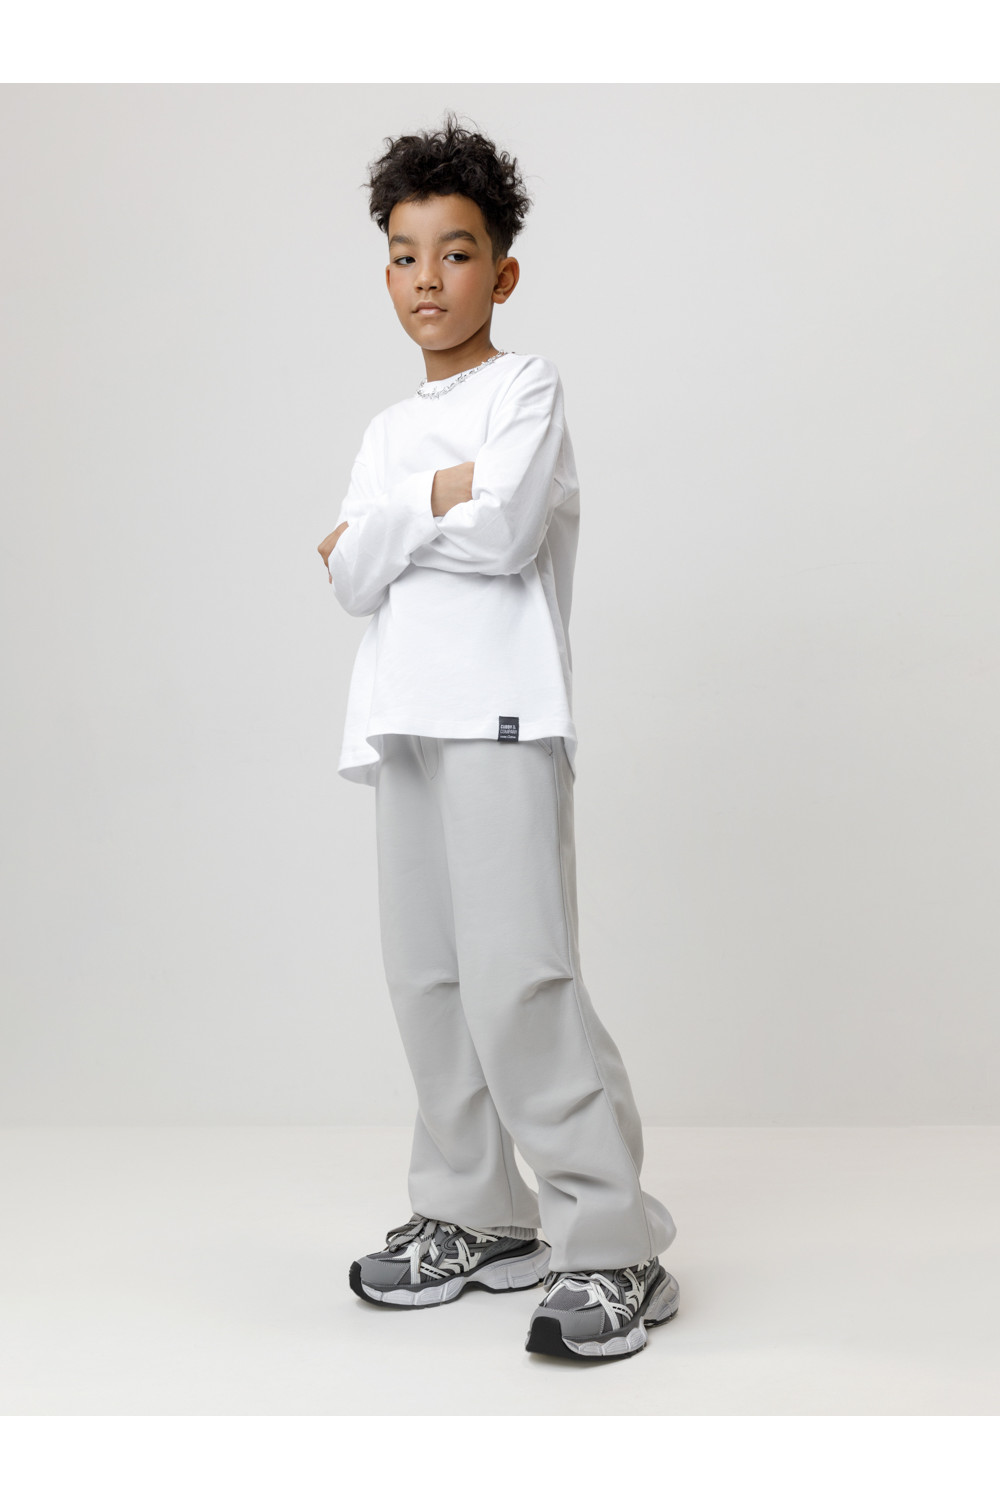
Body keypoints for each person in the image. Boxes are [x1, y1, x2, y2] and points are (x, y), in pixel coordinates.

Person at [317, 112, 679, 1362]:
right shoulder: (385, 430)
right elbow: (347, 578)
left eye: (456, 252)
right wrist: (437, 492)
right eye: (405, 255)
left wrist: (396, 519)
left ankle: (613, 1242)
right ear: (387, 273)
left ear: (501, 271)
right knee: (427, 982)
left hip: (502, 716)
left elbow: (505, 531)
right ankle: (476, 1213)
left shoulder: (527, 389)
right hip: (399, 722)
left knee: (521, 979)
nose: (429, 278)